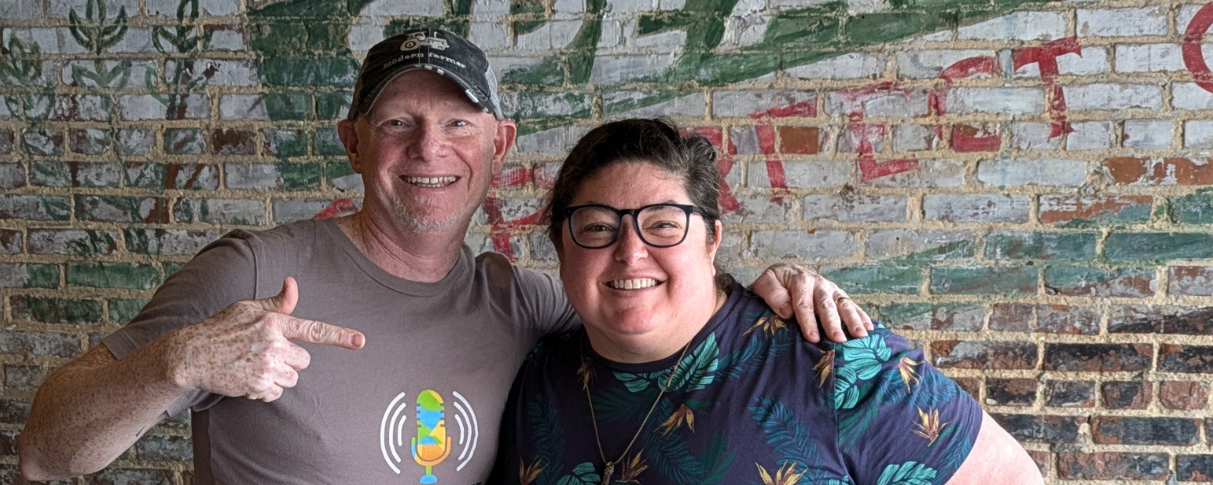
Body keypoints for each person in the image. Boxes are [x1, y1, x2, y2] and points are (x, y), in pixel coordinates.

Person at [17, 29, 873, 483]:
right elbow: (45, 451)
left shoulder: (523, 303)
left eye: (457, 123)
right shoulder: (251, 274)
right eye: (397, 122)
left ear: (498, 145)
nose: (429, 148)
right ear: (353, 141)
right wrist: (177, 360)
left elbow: (647, 301)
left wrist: (763, 292)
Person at [493, 118, 1043, 485]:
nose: (631, 252)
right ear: (560, 247)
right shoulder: (537, 377)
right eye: (597, 227)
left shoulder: (834, 362)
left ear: (711, 241)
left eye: (663, 224)